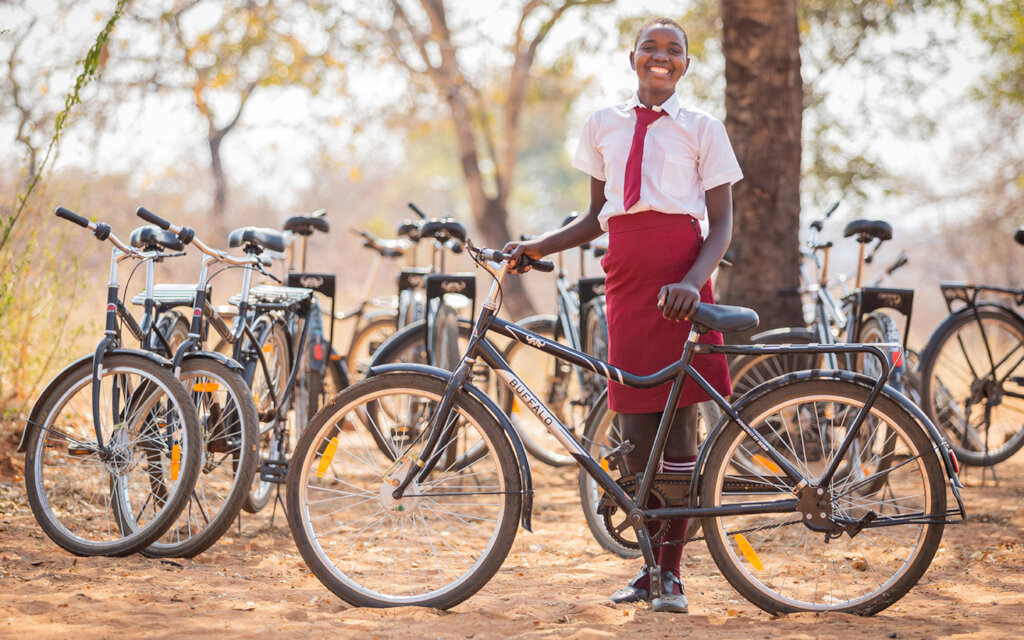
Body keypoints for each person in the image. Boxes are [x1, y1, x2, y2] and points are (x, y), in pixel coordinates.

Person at [504, 16, 742, 614]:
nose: (661, 57)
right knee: (635, 436)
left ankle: (672, 575)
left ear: (686, 64)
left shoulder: (703, 128)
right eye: (649, 47)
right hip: (626, 279)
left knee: (678, 430)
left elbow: (721, 226)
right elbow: (596, 216)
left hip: (680, 276)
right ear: (631, 57)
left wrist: (691, 282)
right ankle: (649, 568)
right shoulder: (602, 124)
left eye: (673, 49)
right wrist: (538, 245)